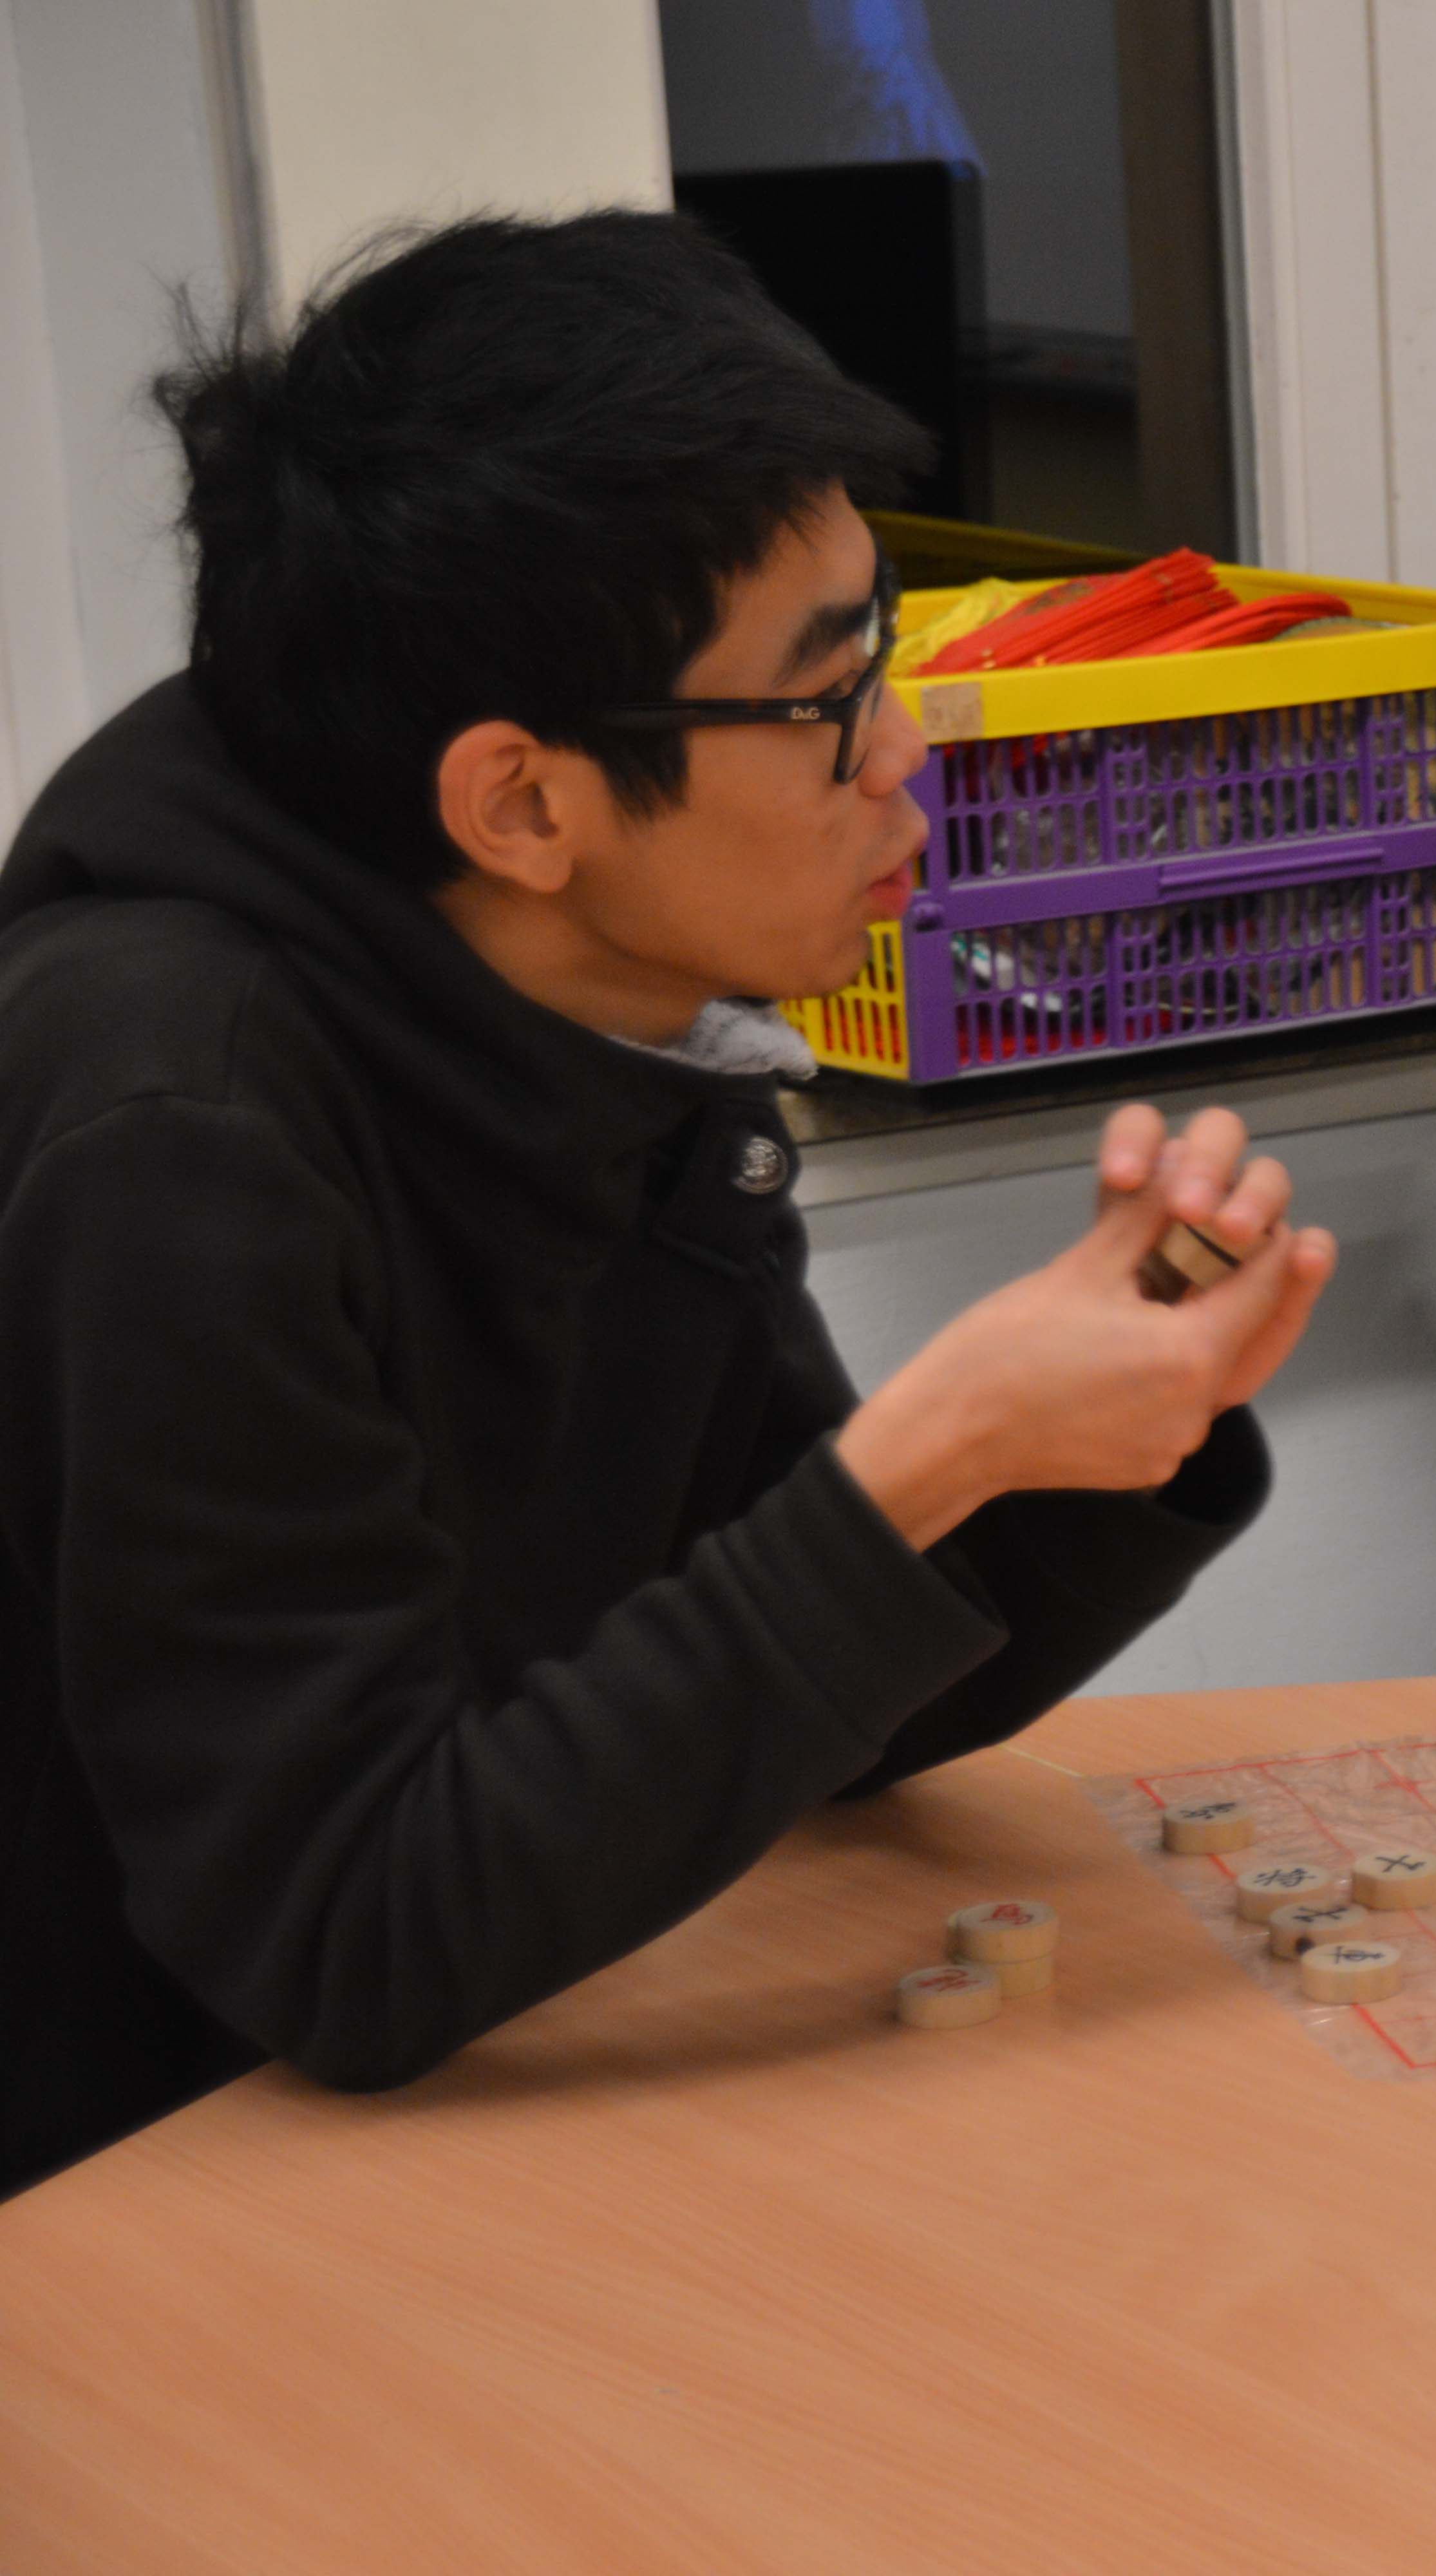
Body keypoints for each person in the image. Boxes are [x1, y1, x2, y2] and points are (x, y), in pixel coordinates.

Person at [0, 214, 1339, 2195]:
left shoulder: (586, 1005)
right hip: (122, 2218)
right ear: (523, 804)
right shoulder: (175, 1127)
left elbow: (790, 1697)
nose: (906, 752)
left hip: (418, 2127)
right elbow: (343, 1933)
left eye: (885, 650)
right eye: (828, 701)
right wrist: (929, 1456)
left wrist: (1084, 1437)